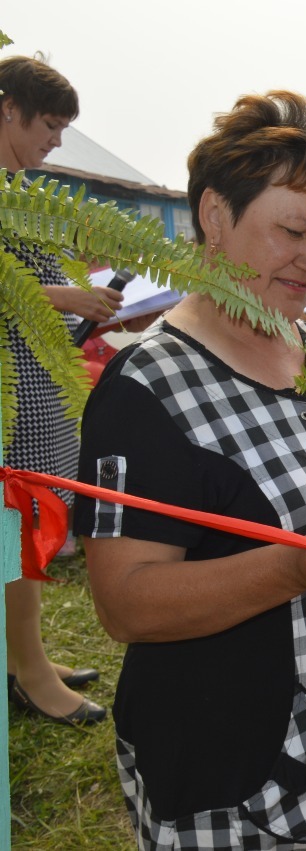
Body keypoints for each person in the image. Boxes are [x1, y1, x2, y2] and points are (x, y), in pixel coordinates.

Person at [74, 91, 306, 847]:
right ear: (216, 215)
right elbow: (126, 604)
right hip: (253, 768)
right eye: (292, 230)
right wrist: (286, 572)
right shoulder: (147, 389)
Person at [1, 54, 113, 726]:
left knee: (28, 524)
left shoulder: (19, 189)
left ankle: (26, 652)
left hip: (36, 379)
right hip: (10, 391)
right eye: (48, 124)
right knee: (15, 522)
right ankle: (29, 670)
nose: (56, 140)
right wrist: (69, 294)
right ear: (6, 106)